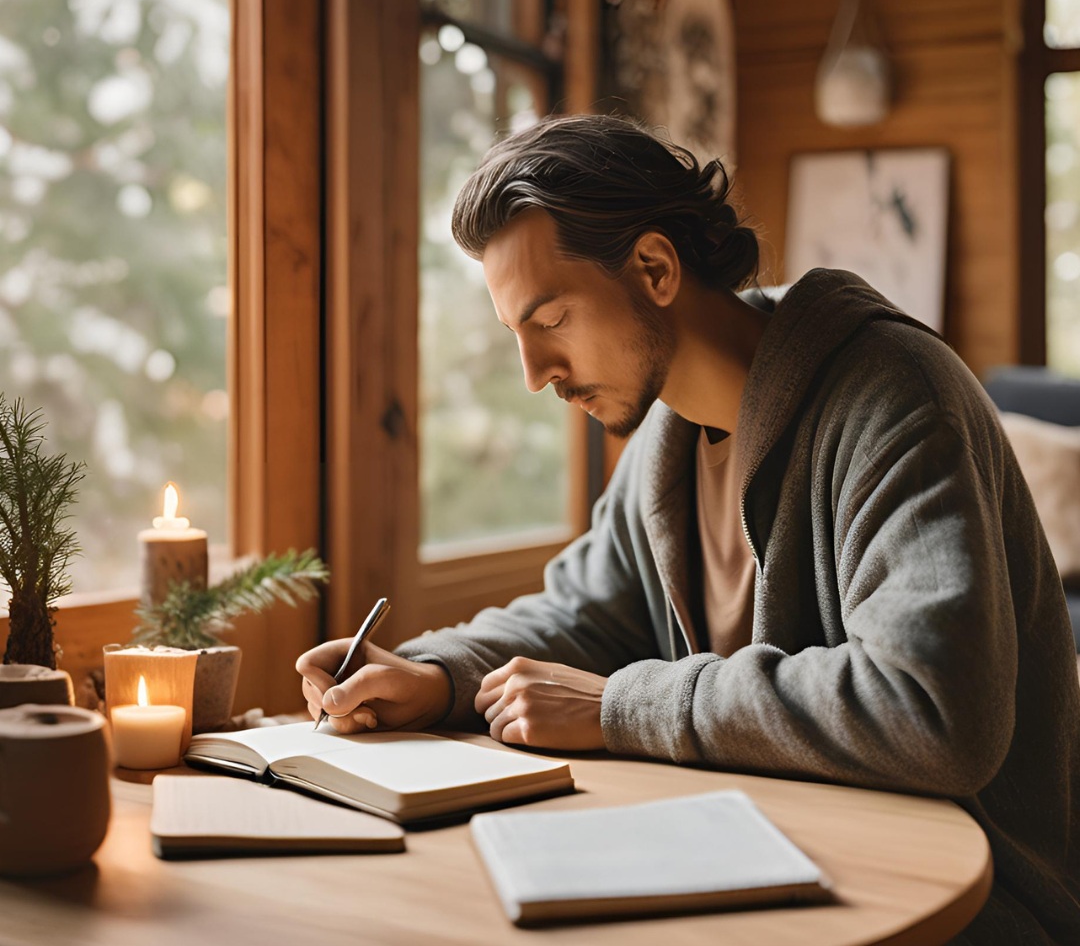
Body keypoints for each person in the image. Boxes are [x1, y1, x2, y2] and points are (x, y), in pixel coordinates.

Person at [297, 114, 1080, 942]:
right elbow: (583, 614)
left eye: (552, 318)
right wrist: (433, 675)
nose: (534, 375)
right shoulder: (664, 439)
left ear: (655, 267)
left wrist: (620, 708)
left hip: (964, 905)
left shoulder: (895, 398)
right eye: (517, 336)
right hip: (765, 859)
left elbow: (933, 713)